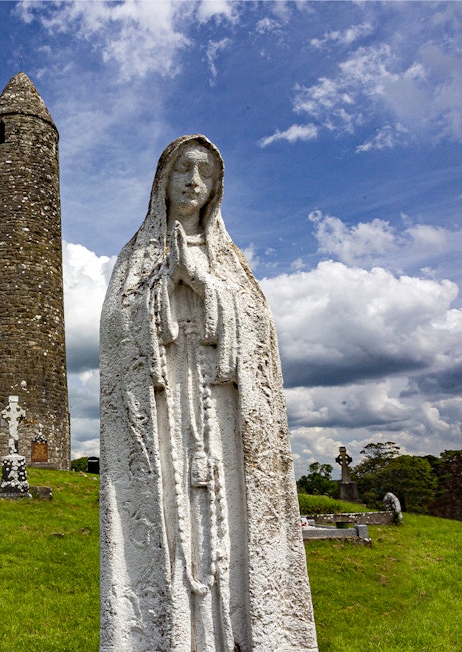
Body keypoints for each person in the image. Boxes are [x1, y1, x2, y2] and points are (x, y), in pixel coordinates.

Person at [99, 135, 317, 651]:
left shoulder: (231, 261)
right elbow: (115, 330)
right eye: (184, 169)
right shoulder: (136, 258)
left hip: (224, 421)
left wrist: (203, 283)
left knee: (232, 543)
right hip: (163, 417)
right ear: (163, 182)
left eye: (206, 173)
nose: (194, 181)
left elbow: (259, 330)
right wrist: (162, 290)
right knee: (169, 539)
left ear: (218, 187)